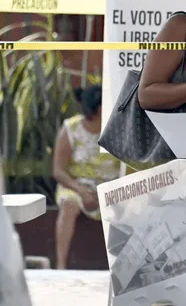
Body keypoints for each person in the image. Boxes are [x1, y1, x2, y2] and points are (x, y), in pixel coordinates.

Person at [52, 85, 120, 269]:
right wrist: (82, 191)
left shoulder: (117, 128)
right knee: (68, 204)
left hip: (110, 187)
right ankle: (60, 265)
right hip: (76, 185)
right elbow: (58, 170)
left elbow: (129, 166)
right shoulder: (71, 129)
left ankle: (123, 270)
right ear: (99, 109)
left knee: (130, 208)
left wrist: (107, 192)